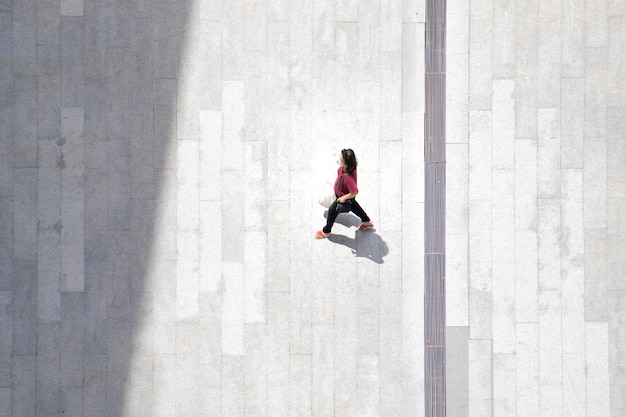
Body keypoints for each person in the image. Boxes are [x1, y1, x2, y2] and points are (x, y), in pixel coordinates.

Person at [315, 148, 374, 239]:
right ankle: (367, 222)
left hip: (343, 196)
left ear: (347, 163)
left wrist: (343, 198)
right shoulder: (350, 167)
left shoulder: (347, 176)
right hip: (345, 195)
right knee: (355, 207)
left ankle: (326, 231)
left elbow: (355, 191)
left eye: (341, 161)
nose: (339, 162)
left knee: (332, 212)